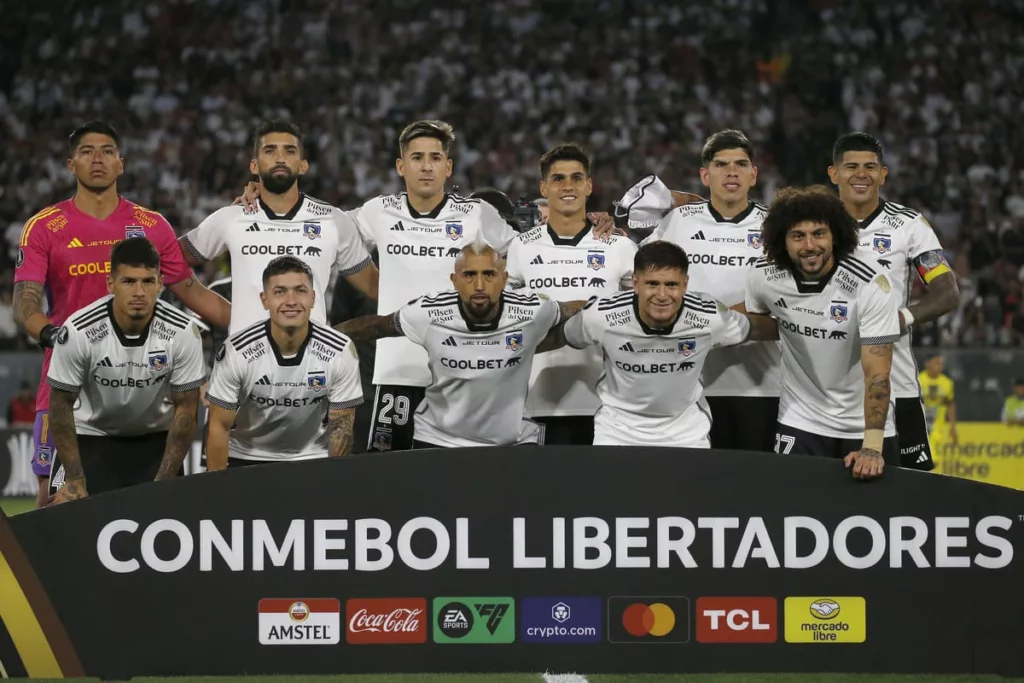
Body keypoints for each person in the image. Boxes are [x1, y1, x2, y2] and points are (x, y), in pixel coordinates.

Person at [13, 121, 229, 507]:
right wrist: (52, 337)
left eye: (107, 151)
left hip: (144, 381)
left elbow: (191, 290)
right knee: (51, 500)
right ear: (70, 165)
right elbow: (25, 302)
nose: (98, 159)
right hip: (68, 383)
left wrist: (260, 325)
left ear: (121, 164)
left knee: (156, 506)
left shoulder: (151, 225)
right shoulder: (45, 227)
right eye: (87, 151)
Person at [335, 240, 584, 449]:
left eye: (489, 274)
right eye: (469, 275)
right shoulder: (428, 312)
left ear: (504, 279)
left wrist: (620, 311)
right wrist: (317, 337)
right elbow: (377, 326)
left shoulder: (533, 310)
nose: (479, 285)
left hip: (511, 443)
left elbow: (577, 309)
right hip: (438, 440)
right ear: (454, 280)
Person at [637, 130, 780, 452]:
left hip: (761, 386)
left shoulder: (776, 227)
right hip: (686, 384)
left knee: (757, 487)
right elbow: (639, 278)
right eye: (721, 164)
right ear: (705, 174)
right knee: (694, 488)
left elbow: (787, 300)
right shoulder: (677, 222)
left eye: (741, 164)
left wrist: (719, 323)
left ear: (754, 175)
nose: (732, 172)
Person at [744, 186, 900, 480]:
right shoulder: (762, 276)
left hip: (863, 426)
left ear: (836, 236)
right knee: (792, 513)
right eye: (797, 236)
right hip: (800, 420)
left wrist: (872, 447)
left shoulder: (870, 282)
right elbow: (759, 321)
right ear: (783, 241)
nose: (809, 245)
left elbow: (878, 375)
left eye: (819, 233)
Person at [559, 241, 778, 447]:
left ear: (685, 284)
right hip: (617, 432)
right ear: (635, 283)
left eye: (671, 284)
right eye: (652, 284)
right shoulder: (601, 316)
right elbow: (563, 336)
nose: (662, 295)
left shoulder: (709, 316)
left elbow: (756, 328)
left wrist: (800, 324)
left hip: (687, 435)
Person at [829, 132, 960, 471]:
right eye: (851, 166)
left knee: (909, 489)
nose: (861, 174)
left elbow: (947, 293)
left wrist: (897, 320)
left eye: (870, 167)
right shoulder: (813, 223)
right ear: (834, 174)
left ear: (883, 174)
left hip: (894, 382)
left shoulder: (908, 225)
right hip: (822, 387)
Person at [178, 118, 379, 336]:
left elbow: (376, 288)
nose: (280, 158)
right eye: (270, 151)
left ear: (303, 165)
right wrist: (227, 314)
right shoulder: (230, 218)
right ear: (254, 165)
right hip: (247, 363)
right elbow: (171, 260)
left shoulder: (334, 221)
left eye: (290, 151)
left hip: (312, 362)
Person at [44, 238, 206, 504]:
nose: (139, 292)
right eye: (129, 281)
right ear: (111, 284)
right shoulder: (78, 330)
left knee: (162, 530)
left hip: (154, 443)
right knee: (69, 531)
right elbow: (60, 405)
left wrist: (164, 480)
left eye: (148, 281)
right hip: (90, 439)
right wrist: (74, 479)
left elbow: (186, 410)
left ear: (160, 283)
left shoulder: (183, 332)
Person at [505, 143, 637, 445]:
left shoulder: (620, 248)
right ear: (544, 186)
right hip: (533, 403)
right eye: (558, 178)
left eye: (577, 178)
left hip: (608, 406)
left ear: (589, 185)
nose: (568, 186)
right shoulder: (521, 247)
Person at [204, 256, 362, 468]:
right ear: (264, 299)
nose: (291, 301)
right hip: (246, 458)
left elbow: (341, 429)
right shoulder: (237, 350)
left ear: (313, 298)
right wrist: (217, 492)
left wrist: (332, 486)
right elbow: (219, 427)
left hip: (312, 459)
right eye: (279, 292)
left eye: (300, 290)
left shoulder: (340, 350)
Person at [918, 353, 957, 450]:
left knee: (934, 459)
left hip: (938, 427)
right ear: (927, 364)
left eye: (941, 364)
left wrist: (952, 426)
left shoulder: (947, 383)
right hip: (920, 424)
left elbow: (950, 404)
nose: (939, 367)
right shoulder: (918, 380)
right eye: (936, 363)